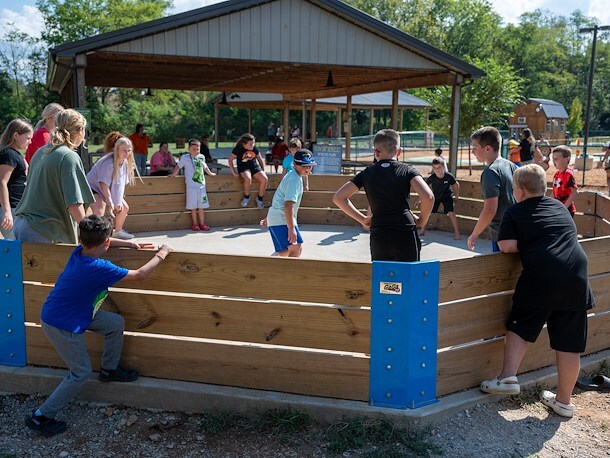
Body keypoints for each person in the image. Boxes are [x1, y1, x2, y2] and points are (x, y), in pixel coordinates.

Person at [25, 215, 173, 437]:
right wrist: (163, 252)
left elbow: (99, 241)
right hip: (61, 323)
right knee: (81, 372)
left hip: (74, 312)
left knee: (114, 323)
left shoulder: (78, 252)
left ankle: (109, 369)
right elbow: (140, 275)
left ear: (80, 238)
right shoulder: (100, 267)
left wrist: (127, 243)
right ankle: (41, 416)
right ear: (106, 242)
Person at [480, 164, 594, 418]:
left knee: (521, 325)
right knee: (569, 341)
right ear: (544, 187)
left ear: (518, 191)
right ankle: (564, 401)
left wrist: (533, 244)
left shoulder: (515, 212)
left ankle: (508, 377)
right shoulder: (559, 207)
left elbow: (507, 246)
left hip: (542, 275)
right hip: (577, 275)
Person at [333, 129, 434, 262]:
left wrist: (363, 219)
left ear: (375, 152)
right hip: (405, 231)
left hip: (379, 232)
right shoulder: (407, 170)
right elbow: (428, 197)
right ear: (399, 151)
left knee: (383, 280)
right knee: (408, 279)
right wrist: (422, 220)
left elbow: (338, 197)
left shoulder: (367, 173)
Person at [14, 109, 95, 244]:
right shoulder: (69, 156)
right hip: (44, 231)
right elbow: (74, 204)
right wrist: (92, 234)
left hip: (22, 225)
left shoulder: (41, 151)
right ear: (81, 130)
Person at [467, 126, 517, 253]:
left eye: (475, 148)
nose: (472, 152)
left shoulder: (490, 172)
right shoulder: (511, 166)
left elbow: (490, 209)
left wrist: (475, 234)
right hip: (516, 227)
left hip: (501, 231)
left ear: (487, 148)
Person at [260, 149, 316, 257]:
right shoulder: (294, 178)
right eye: (303, 165)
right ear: (294, 164)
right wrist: (291, 228)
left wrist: (269, 218)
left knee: (285, 252)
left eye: (309, 165)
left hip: (277, 218)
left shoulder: (293, 175)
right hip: (281, 219)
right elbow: (288, 204)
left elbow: (278, 198)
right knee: (295, 248)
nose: (307, 168)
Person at [87, 137, 137, 239]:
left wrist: (118, 200)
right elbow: (103, 184)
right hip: (93, 186)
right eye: (124, 150)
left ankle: (117, 231)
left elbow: (121, 183)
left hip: (105, 188)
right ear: (117, 149)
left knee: (124, 208)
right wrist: (110, 203)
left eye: (129, 150)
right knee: (99, 209)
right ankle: (95, 235)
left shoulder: (125, 163)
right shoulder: (108, 163)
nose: (127, 153)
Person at [169, 138, 216, 231]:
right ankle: (195, 224)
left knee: (201, 206)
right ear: (189, 149)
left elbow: (205, 167)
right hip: (191, 187)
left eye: (198, 149)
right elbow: (178, 166)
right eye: (194, 149)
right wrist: (174, 174)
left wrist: (210, 173)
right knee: (193, 206)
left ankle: (202, 223)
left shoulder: (202, 157)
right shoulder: (185, 158)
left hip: (201, 186)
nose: (196, 151)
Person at [0, 119, 33, 240]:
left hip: (17, 208)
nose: (30, 142)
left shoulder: (14, 154)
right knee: (15, 247)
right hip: (11, 209)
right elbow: (2, 182)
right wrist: (6, 212)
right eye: (28, 138)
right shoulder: (8, 154)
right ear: (15, 135)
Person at [418, 157, 461, 240]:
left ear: (443, 167)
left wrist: (456, 196)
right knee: (428, 212)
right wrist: (420, 199)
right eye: (435, 168)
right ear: (433, 168)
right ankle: (422, 230)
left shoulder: (449, 176)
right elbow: (424, 187)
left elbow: (456, 185)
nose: (438, 170)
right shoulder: (432, 178)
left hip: (447, 196)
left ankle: (457, 232)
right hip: (435, 197)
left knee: (451, 213)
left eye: (439, 167)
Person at [228, 133, 268, 209]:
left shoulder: (254, 148)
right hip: (243, 167)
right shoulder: (238, 148)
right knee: (248, 178)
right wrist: (233, 172)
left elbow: (260, 159)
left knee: (265, 179)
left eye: (253, 143)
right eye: (250, 144)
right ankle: (247, 196)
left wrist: (262, 170)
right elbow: (230, 160)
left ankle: (259, 198)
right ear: (244, 144)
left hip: (253, 166)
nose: (252, 145)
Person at [551, 145, 577, 218]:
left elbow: (574, 192)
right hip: (557, 209)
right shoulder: (556, 174)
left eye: (556, 159)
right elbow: (554, 192)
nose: (553, 161)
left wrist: (564, 208)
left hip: (567, 210)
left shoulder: (568, 174)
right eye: (553, 159)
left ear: (566, 159)